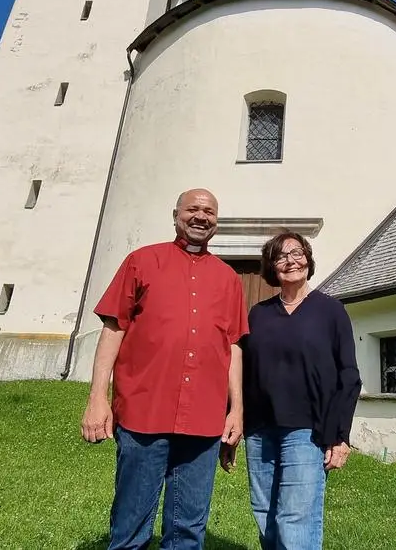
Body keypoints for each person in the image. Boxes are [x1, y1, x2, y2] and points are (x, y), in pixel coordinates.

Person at [81, 188, 248, 550]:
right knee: (131, 522)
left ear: (216, 223)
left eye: (209, 212)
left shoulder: (229, 279)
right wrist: (98, 398)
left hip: (203, 419)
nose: (201, 216)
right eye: (193, 209)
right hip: (144, 411)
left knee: (188, 528)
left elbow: (232, 345)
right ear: (176, 214)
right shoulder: (141, 261)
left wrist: (236, 410)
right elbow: (113, 329)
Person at [221, 231, 361, 550]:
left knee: (294, 517)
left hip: (306, 430)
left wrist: (339, 435)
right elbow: (240, 369)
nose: (290, 261)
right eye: (281, 256)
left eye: (297, 253)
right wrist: (233, 421)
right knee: (265, 514)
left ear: (308, 260)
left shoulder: (331, 311)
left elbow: (349, 375)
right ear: (272, 267)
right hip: (260, 431)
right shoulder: (259, 314)